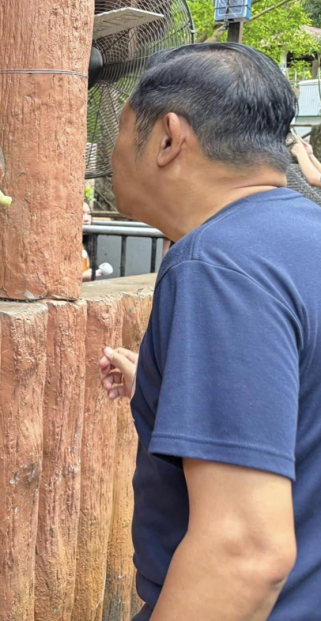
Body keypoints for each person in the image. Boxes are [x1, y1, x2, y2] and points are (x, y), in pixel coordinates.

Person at [98, 43, 321, 621]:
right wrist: (168, 387)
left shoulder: (217, 264)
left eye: (121, 131)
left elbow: (245, 550)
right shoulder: (304, 238)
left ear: (169, 138)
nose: (110, 153)